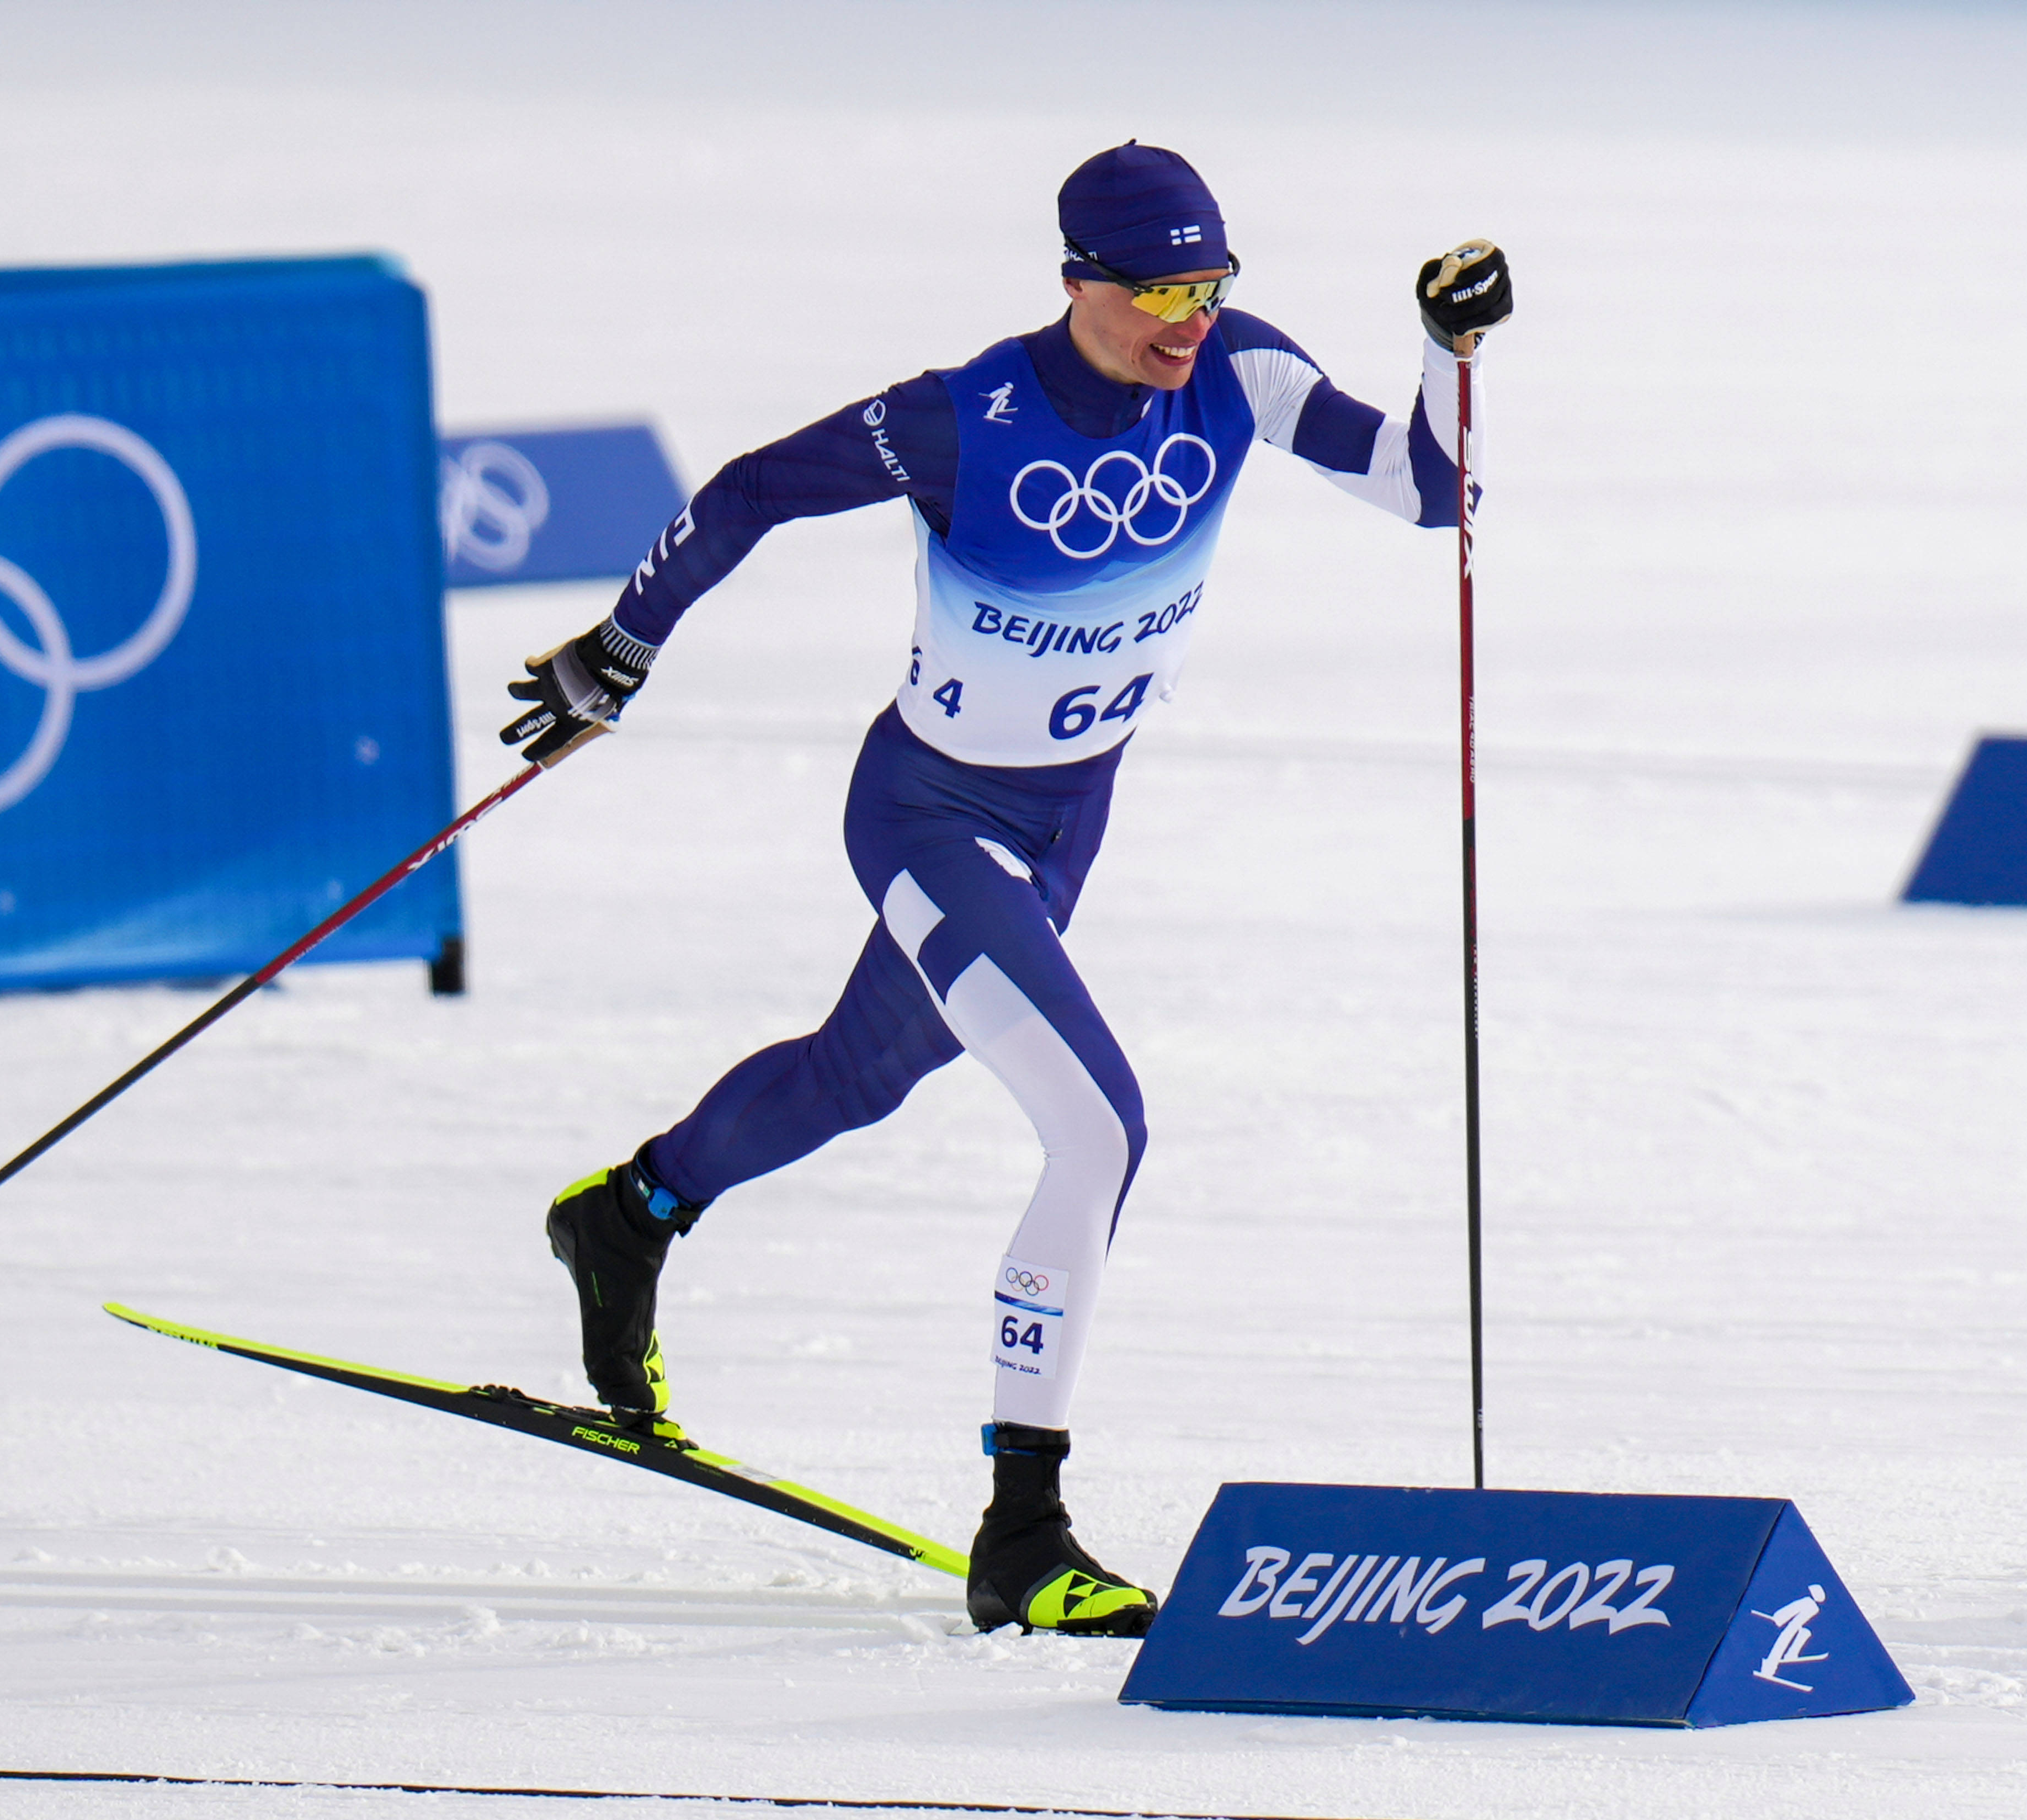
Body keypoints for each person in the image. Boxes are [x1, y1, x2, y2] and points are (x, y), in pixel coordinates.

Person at [499, 141, 1512, 1637]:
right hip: (928, 815)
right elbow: (750, 490)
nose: (1188, 317)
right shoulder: (962, 418)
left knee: (860, 1075)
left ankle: (633, 1210)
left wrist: (1443, 351)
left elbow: (1433, 493)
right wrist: (623, 649)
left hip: (1061, 826)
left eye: (1210, 283)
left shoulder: (1238, 372)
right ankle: (1022, 1529)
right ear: (1078, 285)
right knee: (1098, 1128)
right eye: (1160, 288)